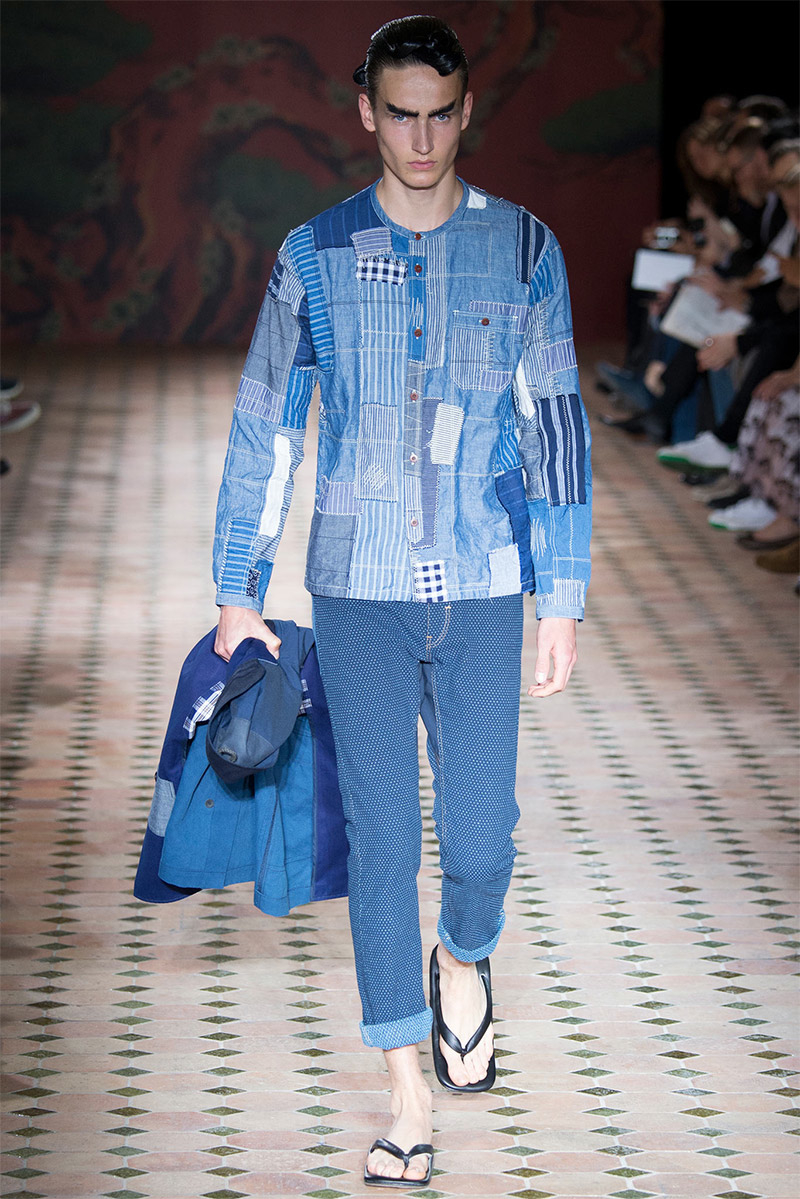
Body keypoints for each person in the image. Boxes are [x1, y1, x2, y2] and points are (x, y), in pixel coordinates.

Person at [210, 15, 591, 1187]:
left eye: (440, 115)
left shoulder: (522, 247)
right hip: (357, 585)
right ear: (365, 112)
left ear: (465, 110)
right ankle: (405, 1094)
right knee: (381, 839)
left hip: (480, 582)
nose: (420, 140)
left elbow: (554, 426)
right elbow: (267, 422)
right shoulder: (314, 254)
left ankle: (462, 956)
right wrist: (237, 584)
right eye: (399, 115)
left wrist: (561, 591)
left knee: (479, 838)